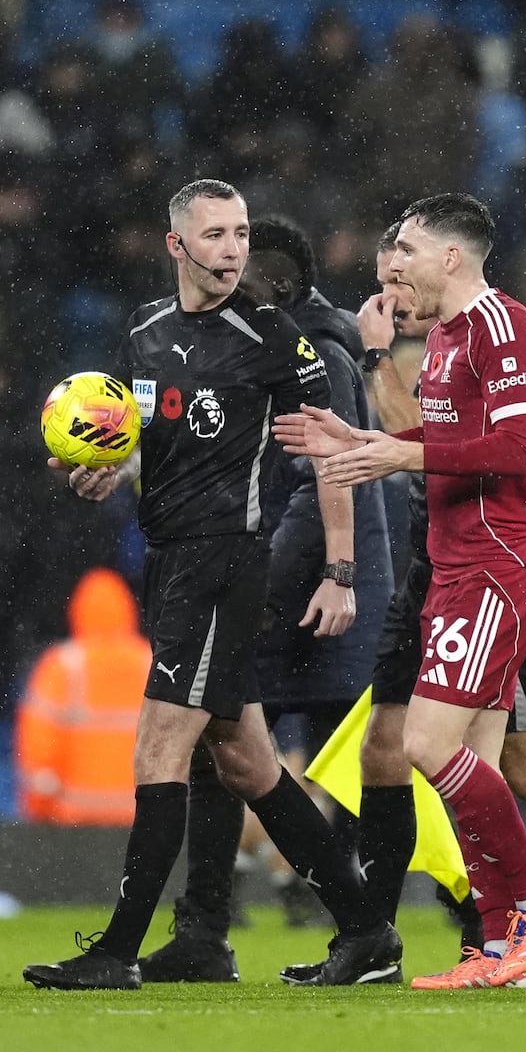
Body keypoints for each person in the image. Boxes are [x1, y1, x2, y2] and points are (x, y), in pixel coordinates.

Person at [22, 179, 399, 991]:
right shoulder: (147, 331)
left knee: (159, 746)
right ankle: (369, 929)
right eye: (216, 234)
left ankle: (117, 950)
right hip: (170, 561)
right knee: (249, 762)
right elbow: (148, 442)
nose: (232, 249)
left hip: (226, 562)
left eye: (238, 233)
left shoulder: (270, 334)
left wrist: (340, 568)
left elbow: (328, 448)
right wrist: (107, 466)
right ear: (176, 246)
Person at [282, 222, 526, 987]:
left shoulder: (501, 327)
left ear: (448, 256)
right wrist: (363, 430)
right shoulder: (452, 339)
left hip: (495, 566)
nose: (394, 282)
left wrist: (401, 451)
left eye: (404, 263)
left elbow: (518, 451)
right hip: (452, 566)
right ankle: (498, 946)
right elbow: (424, 439)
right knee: (476, 759)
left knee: (435, 748)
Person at [136, 214, 393, 983]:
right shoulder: (231, 343)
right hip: (272, 580)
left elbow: (321, 488)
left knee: (361, 765)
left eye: (240, 270)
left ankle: (387, 923)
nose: (223, 282)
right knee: (233, 753)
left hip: (316, 593)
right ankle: (210, 928)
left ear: (277, 286)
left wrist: (275, 587)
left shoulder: (316, 358)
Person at [15, 567, 150, 826]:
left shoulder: (62, 666)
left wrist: (39, 811)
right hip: (141, 823)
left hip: (73, 826)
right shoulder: (150, 664)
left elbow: (39, 752)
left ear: (77, 610)